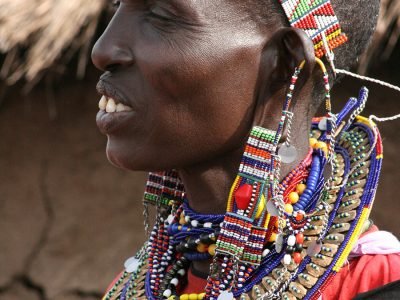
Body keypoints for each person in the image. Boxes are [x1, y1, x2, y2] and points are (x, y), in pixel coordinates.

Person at [91, 0, 400, 299]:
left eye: (160, 15)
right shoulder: (133, 287)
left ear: (283, 63)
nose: (103, 51)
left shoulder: (377, 284)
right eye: (118, 5)